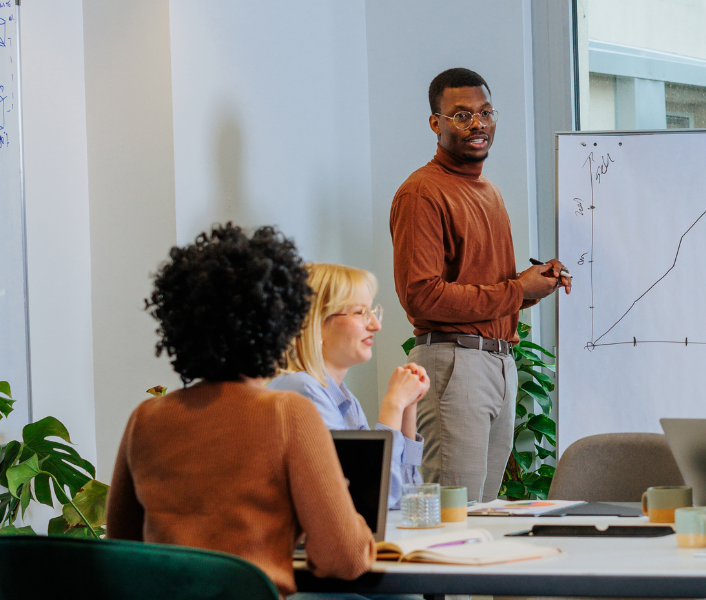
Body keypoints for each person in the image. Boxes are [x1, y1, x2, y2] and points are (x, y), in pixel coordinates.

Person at [107, 224, 375, 597]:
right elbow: (344, 558)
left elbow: (123, 548)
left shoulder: (145, 418)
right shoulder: (288, 413)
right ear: (283, 322)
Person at [390, 67, 569, 502]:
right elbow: (422, 295)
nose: (478, 124)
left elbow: (491, 291)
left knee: (485, 513)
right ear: (436, 123)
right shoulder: (422, 193)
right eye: (462, 115)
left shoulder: (489, 191)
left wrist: (531, 286)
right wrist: (516, 290)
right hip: (455, 363)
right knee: (455, 512)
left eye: (486, 112)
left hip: (498, 363)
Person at [270, 263, 431, 509]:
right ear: (317, 323)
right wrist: (393, 405)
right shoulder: (300, 390)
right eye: (359, 312)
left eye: (373, 311)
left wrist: (408, 409)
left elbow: (407, 496)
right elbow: (368, 499)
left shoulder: (342, 397)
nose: (376, 325)